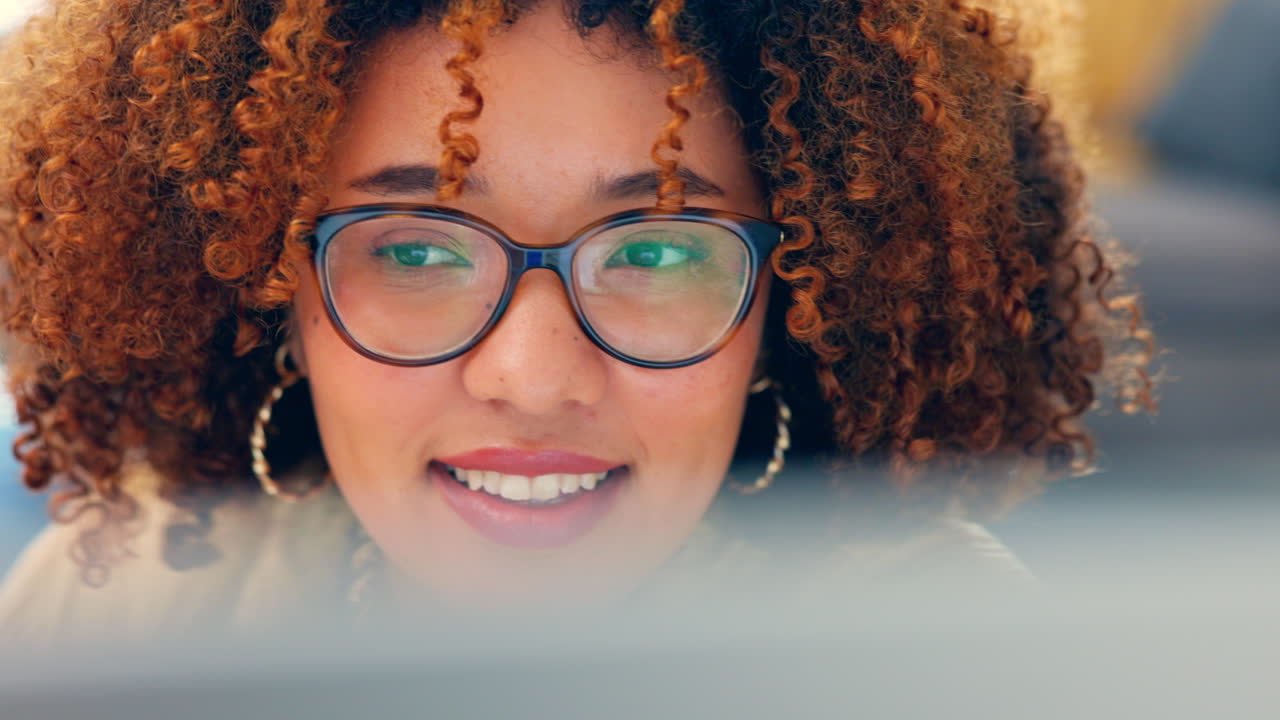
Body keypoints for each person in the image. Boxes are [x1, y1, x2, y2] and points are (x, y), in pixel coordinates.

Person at [0, 0, 1152, 641]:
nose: (533, 375)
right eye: (413, 248)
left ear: (793, 311)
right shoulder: (123, 612)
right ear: (268, 295)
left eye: (652, 250)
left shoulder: (932, 654)